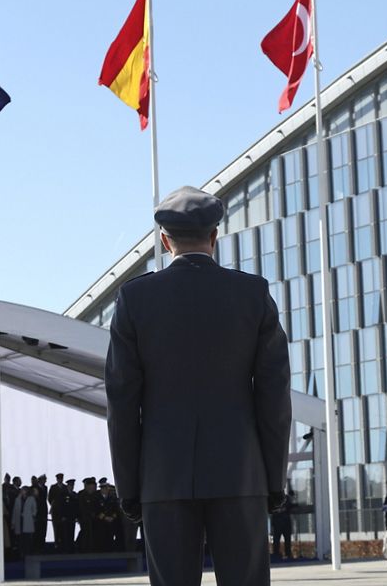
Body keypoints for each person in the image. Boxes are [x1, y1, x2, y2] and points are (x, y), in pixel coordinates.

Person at [106, 186, 292, 586]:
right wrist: (272, 480)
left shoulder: (135, 299)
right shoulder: (252, 293)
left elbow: (121, 401)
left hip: (162, 478)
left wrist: (130, 487)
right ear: (214, 236)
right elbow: (273, 397)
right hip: (240, 475)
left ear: (163, 239)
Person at [10, 486, 37, 559]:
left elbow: (34, 509)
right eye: (22, 490)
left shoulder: (31, 499)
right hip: (19, 520)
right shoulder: (17, 499)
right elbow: (14, 512)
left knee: (28, 539)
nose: (22, 491)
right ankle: (21, 553)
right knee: (20, 539)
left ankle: (28, 553)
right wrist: (13, 522)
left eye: (23, 490)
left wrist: (33, 516)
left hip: (28, 520)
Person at [270, 490, 295, 561]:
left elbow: (290, 507)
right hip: (278, 523)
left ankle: (287, 554)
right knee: (276, 540)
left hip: (285, 523)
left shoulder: (287, 499)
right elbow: (272, 510)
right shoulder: (273, 499)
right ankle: (276, 555)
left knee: (287, 540)